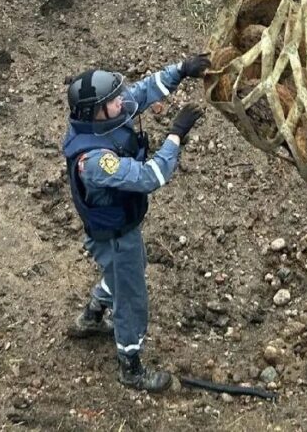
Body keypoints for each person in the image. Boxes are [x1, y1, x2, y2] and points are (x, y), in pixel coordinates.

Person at [61, 53, 210, 393]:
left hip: (119, 230)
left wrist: (181, 70)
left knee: (127, 270)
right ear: (95, 111)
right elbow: (149, 177)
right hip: (115, 235)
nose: (121, 101)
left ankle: (93, 314)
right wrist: (175, 137)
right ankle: (131, 366)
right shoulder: (95, 161)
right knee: (131, 297)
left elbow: (141, 92)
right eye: (112, 100)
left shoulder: (102, 119)